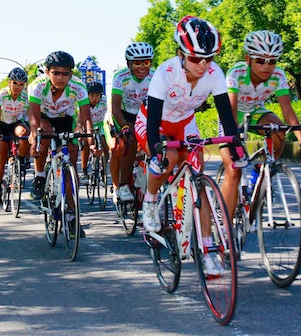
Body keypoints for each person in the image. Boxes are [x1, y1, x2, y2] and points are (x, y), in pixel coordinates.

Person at [135, 16, 238, 276]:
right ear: (181, 54)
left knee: (198, 179)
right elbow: (154, 120)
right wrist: (157, 148)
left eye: (209, 58)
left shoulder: (215, 74)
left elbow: (227, 118)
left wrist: (235, 146)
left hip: (185, 123)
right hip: (153, 121)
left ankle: (207, 250)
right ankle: (149, 201)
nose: (203, 65)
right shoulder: (166, 72)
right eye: (195, 59)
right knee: (167, 155)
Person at [219, 30, 301, 222]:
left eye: (272, 61)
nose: (266, 67)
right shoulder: (237, 73)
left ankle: (261, 173)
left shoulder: (279, 75)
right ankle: (226, 227)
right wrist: (234, 140)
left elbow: (287, 110)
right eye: (260, 60)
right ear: (248, 58)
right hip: (232, 114)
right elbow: (231, 111)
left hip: (256, 111)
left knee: (279, 130)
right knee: (233, 168)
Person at [28, 51, 96, 237]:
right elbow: (33, 117)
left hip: (66, 120)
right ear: (47, 72)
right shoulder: (37, 86)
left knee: (70, 168)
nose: (60, 77)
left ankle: (73, 217)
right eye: (55, 72)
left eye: (65, 73)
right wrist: (34, 136)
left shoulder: (78, 86)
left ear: (71, 74)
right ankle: (40, 175)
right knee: (45, 134)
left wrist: (90, 139)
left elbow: (86, 117)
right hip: (43, 119)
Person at [106, 42, 155, 203]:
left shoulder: (155, 76)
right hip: (124, 114)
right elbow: (115, 106)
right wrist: (125, 127)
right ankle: (123, 184)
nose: (142, 67)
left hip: (145, 113)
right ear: (129, 64)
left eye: (146, 62)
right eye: (137, 63)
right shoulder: (121, 77)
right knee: (129, 141)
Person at [0, 67, 30, 205]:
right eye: (15, 83)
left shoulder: (25, 96)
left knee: (24, 134)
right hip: (2, 124)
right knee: (1, 155)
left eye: (21, 84)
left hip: (15, 123)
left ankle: (20, 161)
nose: (18, 87)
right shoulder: (1, 94)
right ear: (9, 82)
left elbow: (30, 116)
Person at [80, 81, 108, 182]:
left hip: (101, 125)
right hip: (86, 125)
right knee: (86, 143)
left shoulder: (105, 102)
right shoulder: (83, 102)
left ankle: (103, 169)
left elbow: (110, 116)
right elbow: (79, 118)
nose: (94, 98)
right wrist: (80, 132)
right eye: (91, 95)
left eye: (97, 95)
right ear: (87, 95)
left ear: (101, 95)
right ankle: (84, 171)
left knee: (105, 144)